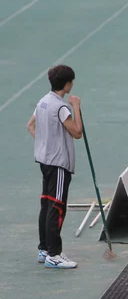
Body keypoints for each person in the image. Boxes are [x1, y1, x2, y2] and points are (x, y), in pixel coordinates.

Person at [27, 65, 82, 269]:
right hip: (59, 164)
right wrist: (75, 106)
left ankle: (43, 249)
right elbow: (77, 133)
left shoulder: (43, 102)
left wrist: (45, 144)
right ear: (66, 84)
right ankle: (54, 254)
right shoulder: (61, 107)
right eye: (71, 82)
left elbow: (30, 125)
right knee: (57, 207)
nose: (73, 85)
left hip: (45, 161)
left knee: (47, 205)